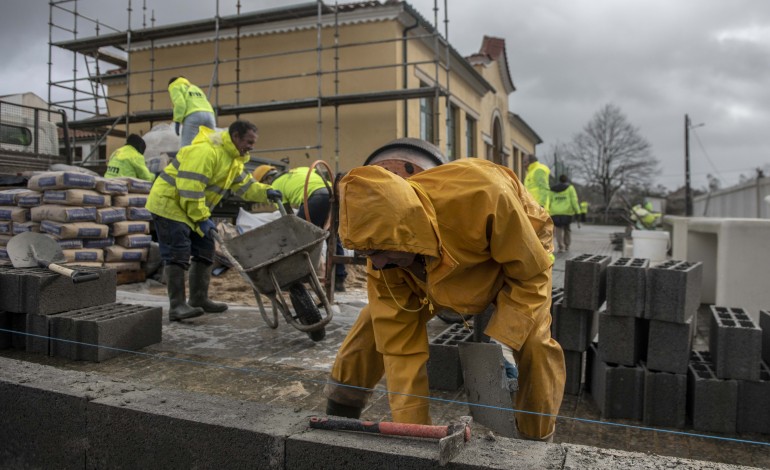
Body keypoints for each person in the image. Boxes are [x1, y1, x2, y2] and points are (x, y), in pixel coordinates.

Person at [324, 157, 565, 442]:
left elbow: (530, 275)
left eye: (378, 250)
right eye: (365, 254)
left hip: (519, 257)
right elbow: (400, 348)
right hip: (439, 270)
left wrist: (506, 337)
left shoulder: (486, 196)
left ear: (406, 230)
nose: (375, 264)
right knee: (371, 324)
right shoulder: (383, 249)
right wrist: (416, 435)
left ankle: (534, 441)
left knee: (536, 345)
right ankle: (339, 413)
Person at [146, 120, 281, 322]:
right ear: (235, 136)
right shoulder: (206, 151)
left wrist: (266, 192)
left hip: (190, 208)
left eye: (253, 142)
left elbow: (245, 187)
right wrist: (201, 218)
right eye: (248, 141)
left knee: (205, 250)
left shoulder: (233, 159)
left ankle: (198, 299)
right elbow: (190, 189)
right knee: (178, 253)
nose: (251, 146)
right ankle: (177, 306)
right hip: (170, 205)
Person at [253, 165, 348, 291]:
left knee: (298, 240)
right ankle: (339, 281)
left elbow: (286, 214)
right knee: (333, 239)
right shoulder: (300, 169)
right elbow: (321, 174)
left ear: (266, 180)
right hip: (334, 195)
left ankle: (297, 279)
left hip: (315, 199)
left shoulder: (275, 186)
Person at [168, 76, 217, 147]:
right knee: (213, 145)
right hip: (209, 114)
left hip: (193, 115)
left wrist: (177, 120)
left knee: (187, 147)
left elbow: (180, 104)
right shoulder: (195, 88)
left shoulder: (174, 86)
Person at [548, 174, 581, 253]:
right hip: (567, 213)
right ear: (566, 180)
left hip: (555, 212)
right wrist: (578, 211)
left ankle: (561, 246)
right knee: (567, 229)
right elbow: (574, 200)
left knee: (558, 230)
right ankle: (567, 245)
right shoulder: (570, 188)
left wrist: (548, 211)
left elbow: (549, 201)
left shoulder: (552, 189)